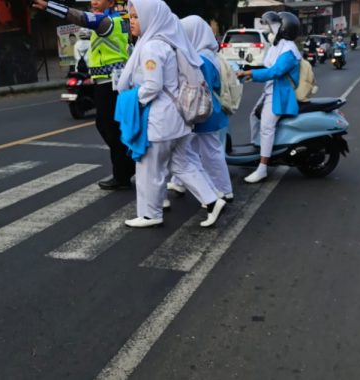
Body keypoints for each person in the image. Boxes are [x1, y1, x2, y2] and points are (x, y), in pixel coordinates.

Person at [115, 0, 226, 228]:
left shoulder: (151, 47)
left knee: (148, 168)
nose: (131, 22)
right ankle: (213, 200)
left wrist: (132, 99)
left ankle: (149, 214)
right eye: (130, 17)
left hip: (161, 121)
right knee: (183, 164)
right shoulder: (172, 43)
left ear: (150, 18)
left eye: (136, 17)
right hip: (180, 120)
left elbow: (153, 86)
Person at [32, 0, 135, 191]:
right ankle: (125, 169)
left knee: (109, 127)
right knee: (112, 127)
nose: (93, 1)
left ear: (111, 2)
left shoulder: (106, 22)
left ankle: (125, 171)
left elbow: (79, 17)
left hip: (108, 83)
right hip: (112, 81)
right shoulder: (121, 20)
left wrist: (49, 6)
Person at [164, 15, 233, 204]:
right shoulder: (208, 54)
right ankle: (180, 181)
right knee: (190, 149)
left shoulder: (201, 58)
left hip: (204, 112)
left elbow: (200, 87)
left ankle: (224, 190)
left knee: (211, 152)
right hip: (209, 111)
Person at [236, 11, 301, 183]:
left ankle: (263, 167)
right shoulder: (277, 47)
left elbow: (275, 71)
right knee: (253, 117)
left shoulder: (289, 51)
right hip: (271, 90)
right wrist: (248, 71)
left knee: (266, 127)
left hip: (281, 93)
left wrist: (250, 72)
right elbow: (266, 67)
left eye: (272, 27)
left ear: (283, 29)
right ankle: (257, 154)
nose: (269, 31)